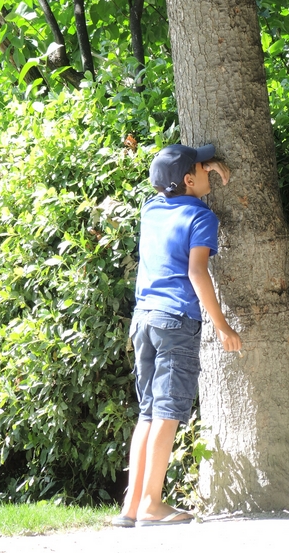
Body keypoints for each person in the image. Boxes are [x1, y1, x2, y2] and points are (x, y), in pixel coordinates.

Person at [112, 143, 242, 528]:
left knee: (148, 414)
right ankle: (152, 504)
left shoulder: (151, 210)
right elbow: (197, 273)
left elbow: (167, 187)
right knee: (167, 415)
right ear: (189, 179)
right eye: (201, 168)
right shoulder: (202, 217)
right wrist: (222, 326)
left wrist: (199, 170)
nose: (208, 171)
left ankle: (131, 506)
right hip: (175, 322)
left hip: (144, 321)